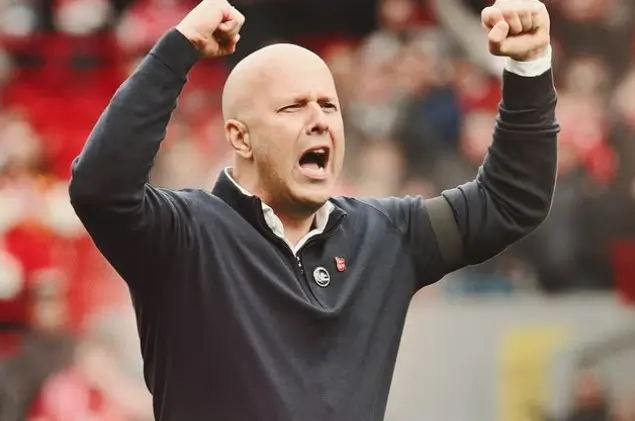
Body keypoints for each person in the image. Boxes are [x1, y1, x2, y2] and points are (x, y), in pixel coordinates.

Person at [68, 0, 560, 419]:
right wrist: (178, 49)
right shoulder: (183, 236)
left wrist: (529, 67)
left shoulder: (385, 234)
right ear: (240, 138)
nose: (320, 121)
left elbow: (509, 201)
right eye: (293, 107)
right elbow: (99, 188)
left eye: (329, 106)